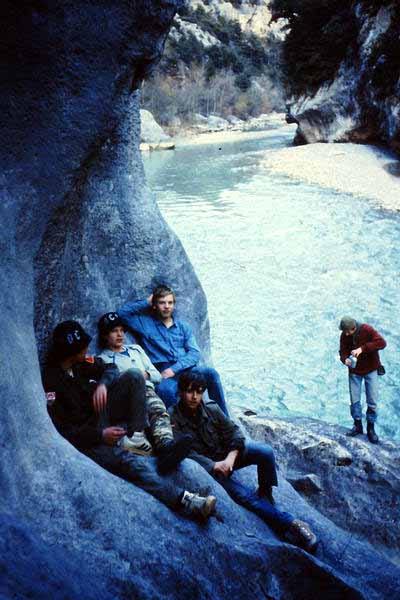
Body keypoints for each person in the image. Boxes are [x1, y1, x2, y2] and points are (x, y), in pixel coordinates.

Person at [42, 320, 217, 520]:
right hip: (90, 438)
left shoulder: (82, 363)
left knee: (134, 375)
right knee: (132, 465)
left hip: (103, 416)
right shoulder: (52, 381)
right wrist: (100, 435)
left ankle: (138, 436)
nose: (87, 348)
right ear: (70, 351)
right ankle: (187, 501)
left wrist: (103, 385)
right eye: (82, 347)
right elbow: (65, 430)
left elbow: (110, 369)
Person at [170, 371, 318, 553]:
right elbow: (186, 453)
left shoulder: (210, 408)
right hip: (210, 471)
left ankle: (265, 493)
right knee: (246, 497)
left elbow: (235, 433)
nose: (194, 397)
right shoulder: (173, 418)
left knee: (265, 452)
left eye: (199, 392)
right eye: (190, 391)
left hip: (227, 458)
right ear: (181, 391)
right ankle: (293, 524)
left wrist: (230, 459)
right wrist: (214, 465)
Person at [97, 311, 192, 474]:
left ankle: (166, 448)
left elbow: (156, 375)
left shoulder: (135, 350)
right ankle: (162, 448)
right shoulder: (103, 359)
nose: (120, 335)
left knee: (159, 410)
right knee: (154, 406)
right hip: (128, 398)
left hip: (148, 390)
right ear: (106, 336)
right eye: (114, 331)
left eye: (121, 330)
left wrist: (145, 374)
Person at [118, 285, 228, 414]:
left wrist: (174, 369)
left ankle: (225, 420)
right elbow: (121, 314)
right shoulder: (145, 324)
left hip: (186, 369)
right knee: (166, 391)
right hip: (163, 372)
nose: (167, 306)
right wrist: (147, 302)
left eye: (170, 303)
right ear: (154, 305)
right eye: (162, 303)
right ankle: (175, 427)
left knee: (211, 373)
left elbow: (194, 353)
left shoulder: (183, 326)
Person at [339, 316, 387, 443]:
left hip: (371, 369)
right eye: (344, 331)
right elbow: (342, 351)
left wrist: (362, 349)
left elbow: (382, 343)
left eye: (348, 331)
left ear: (354, 328)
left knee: (372, 400)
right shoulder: (344, 335)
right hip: (354, 371)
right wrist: (345, 360)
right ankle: (357, 425)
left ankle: (371, 428)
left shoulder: (367, 329)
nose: (346, 334)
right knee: (354, 400)